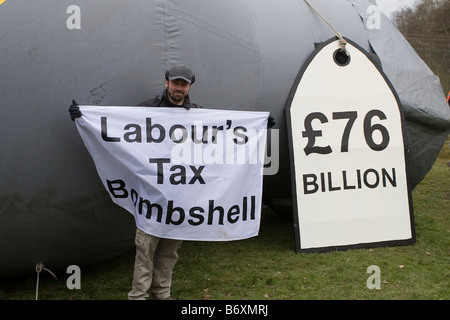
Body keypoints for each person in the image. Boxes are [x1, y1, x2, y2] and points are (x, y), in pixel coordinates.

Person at [68, 65, 275, 300]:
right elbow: (116, 128)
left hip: (181, 201)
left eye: (183, 84)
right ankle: (138, 296)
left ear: (189, 87)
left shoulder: (197, 115)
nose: (179, 88)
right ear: (166, 83)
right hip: (152, 199)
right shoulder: (146, 111)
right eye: (175, 83)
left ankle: (162, 293)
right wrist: (83, 117)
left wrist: (258, 128)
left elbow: (224, 137)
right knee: (145, 249)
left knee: (169, 253)